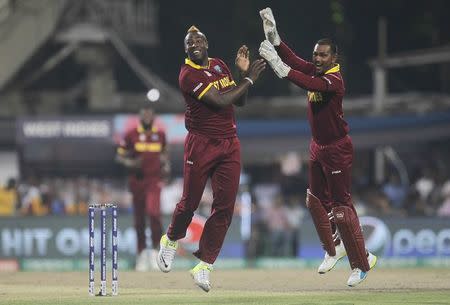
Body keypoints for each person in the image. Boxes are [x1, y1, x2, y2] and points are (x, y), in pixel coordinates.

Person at [258, 8, 377, 287]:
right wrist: (276, 39)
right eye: (316, 54)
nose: (318, 58)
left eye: (324, 55)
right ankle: (331, 251)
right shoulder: (317, 69)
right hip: (318, 147)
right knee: (313, 201)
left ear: (334, 58)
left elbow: (305, 81)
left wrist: (279, 68)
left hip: (337, 149)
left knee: (341, 209)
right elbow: (297, 62)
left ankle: (361, 264)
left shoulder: (334, 81)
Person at [156, 25, 265, 292]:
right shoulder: (187, 74)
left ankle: (204, 265)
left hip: (229, 143)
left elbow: (239, 102)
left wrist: (240, 75)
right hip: (201, 144)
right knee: (190, 202)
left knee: (225, 208)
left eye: (198, 40)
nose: (194, 45)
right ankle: (170, 240)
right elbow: (219, 101)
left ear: (206, 44)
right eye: (189, 43)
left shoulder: (219, 66)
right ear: (186, 50)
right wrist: (249, 78)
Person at [116, 103, 170, 271]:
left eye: (150, 113)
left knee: (154, 213)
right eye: (144, 112)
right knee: (139, 219)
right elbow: (119, 157)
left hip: (154, 181)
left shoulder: (160, 135)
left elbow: (165, 155)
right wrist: (131, 162)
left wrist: (165, 164)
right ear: (140, 115)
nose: (147, 115)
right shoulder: (131, 135)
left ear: (153, 116)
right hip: (137, 181)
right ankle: (141, 255)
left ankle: (156, 253)